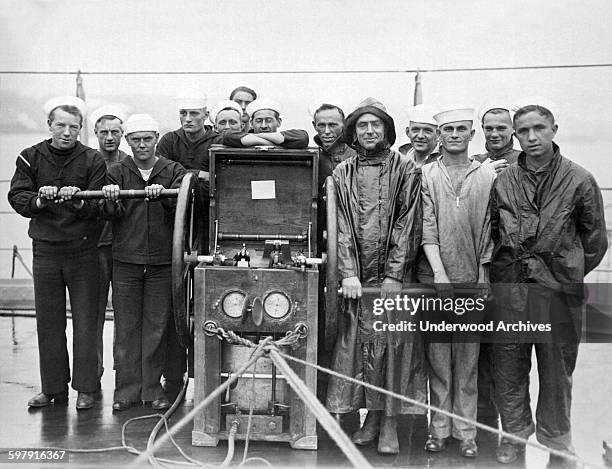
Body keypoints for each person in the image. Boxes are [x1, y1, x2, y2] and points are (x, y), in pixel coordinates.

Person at [490, 97, 607, 465]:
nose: (531, 136)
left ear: (554, 130)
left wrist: (563, 272)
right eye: (523, 131)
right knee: (508, 369)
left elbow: (595, 242)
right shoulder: (503, 180)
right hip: (510, 292)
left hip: (558, 295)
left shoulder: (579, 179)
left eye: (539, 128)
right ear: (515, 135)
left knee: (557, 373)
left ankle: (558, 443)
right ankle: (513, 438)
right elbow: (493, 233)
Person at [325, 97, 426, 455]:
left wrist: (395, 276)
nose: (369, 131)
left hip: (393, 277)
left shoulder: (406, 169)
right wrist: (349, 273)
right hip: (356, 279)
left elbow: (408, 222)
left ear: (387, 129)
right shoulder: (342, 173)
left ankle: (390, 424)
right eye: (363, 126)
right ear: (354, 132)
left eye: (376, 125)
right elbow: (340, 227)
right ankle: (369, 418)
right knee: (357, 348)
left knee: (394, 348)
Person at [8, 96, 106, 410]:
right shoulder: (29, 157)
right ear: (49, 124)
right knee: (49, 323)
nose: (66, 132)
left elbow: (99, 207)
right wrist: (41, 198)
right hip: (46, 252)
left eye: (73, 127)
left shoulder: (93, 160)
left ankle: (87, 388)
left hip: (83, 251)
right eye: (60, 125)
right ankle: (53, 389)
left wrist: (77, 199)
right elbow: (18, 197)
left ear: (80, 129)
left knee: (86, 322)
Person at [418, 106, 495, 458]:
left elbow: (490, 230)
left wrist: (482, 272)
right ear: (439, 134)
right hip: (436, 283)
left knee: (467, 364)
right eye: (447, 129)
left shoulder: (487, 175)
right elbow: (427, 227)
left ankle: (466, 434)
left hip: (472, 283)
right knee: (438, 362)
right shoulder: (427, 174)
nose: (453, 135)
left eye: (460, 129)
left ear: (471, 134)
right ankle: (438, 431)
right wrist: (439, 274)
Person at [102, 114, 186, 412]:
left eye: (147, 139)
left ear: (155, 139)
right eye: (135, 140)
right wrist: (111, 197)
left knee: (156, 326)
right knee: (126, 327)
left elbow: (183, 206)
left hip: (163, 262)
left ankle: (152, 390)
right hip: (126, 260)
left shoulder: (172, 170)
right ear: (127, 141)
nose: (141, 145)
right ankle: (126, 391)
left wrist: (164, 196)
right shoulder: (117, 171)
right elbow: (108, 212)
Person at [156, 90, 214, 397]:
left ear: (206, 114)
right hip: (175, 226)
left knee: (207, 300)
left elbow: (222, 178)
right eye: (183, 114)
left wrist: (188, 177)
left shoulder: (216, 140)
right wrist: (198, 175)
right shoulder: (167, 142)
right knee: (174, 301)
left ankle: (206, 373)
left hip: (209, 224)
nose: (188, 119)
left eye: (194, 113)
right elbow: (167, 177)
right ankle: (173, 375)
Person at [90, 104, 129, 388]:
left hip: (125, 245)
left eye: (115, 132)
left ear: (122, 134)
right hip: (94, 247)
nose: (109, 137)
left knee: (126, 313)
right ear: (95, 133)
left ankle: (124, 372)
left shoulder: (129, 162)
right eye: (104, 132)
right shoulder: (88, 162)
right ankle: (93, 371)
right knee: (93, 311)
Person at [221, 98, 309, 149]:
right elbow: (227, 135)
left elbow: (303, 137)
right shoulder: (239, 136)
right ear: (251, 123)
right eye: (259, 121)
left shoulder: (288, 137)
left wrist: (258, 138)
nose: (263, 125)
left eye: (268, 120)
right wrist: (271, 144)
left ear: (279, 122)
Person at [473, 102, 520, 173]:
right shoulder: (474, 163)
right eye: (489, 128)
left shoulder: (525, 161)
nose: (494, 134)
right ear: (483, 128)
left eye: (501, 128)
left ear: (513, 128)